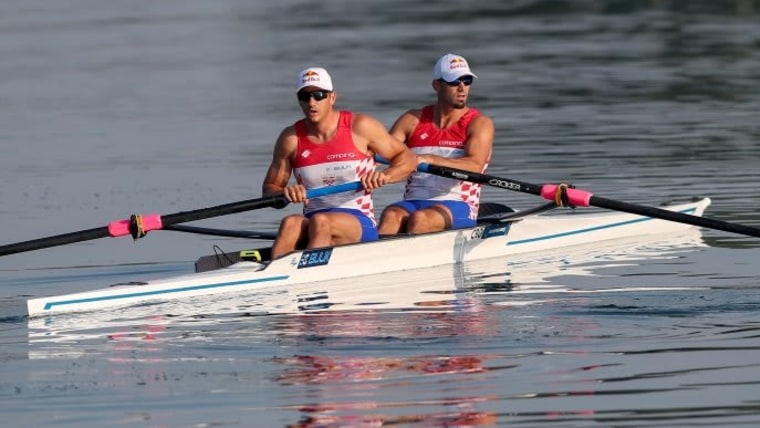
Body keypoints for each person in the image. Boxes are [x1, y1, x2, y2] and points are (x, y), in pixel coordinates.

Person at [262, 67, 416, 259]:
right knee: (291, 222)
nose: (312, 102)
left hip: (358, 222)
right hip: (314, 222)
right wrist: (285, 193)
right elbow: (270, 189)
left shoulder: (360, 127)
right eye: (305, 96)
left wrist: (385, 176)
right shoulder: (291, 139)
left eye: (319, 95)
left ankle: (308, 273)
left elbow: (408, 159)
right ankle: (275, 277)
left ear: (332, 97)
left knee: (321, 221)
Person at [377, 53, 495, 235]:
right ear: (437, 85)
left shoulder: (479, 123)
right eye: (454, 81)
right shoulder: (411, 120)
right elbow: (382, 154)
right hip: (414, 201)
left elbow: (474, 165)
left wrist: (429, 159)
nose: (462, 87)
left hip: (459, 204)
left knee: (421, 220)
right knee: (390, 216)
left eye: (467, 80)